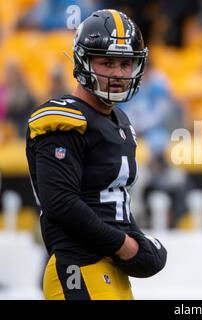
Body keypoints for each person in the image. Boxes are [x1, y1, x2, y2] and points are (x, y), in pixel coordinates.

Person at [25, 9, 167, 300]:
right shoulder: (64, 118)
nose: (117, 73)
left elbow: (113, 200)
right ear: (83, 61)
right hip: (78, 264)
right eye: (107, 63)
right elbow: (61, 203)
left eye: (126, 64)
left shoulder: (120, 121)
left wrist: (138, 241)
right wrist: (125, 245)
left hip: (110, 270)